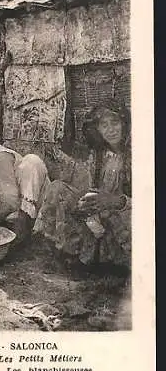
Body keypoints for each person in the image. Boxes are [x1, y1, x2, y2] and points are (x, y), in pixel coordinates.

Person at [38, 100, 131, 268]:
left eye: (115, 122)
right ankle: (72, 251)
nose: (111, 130)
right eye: (104, 125)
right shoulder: (99, 156)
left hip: (125, 215)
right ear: (98, 130)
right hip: (100, 214)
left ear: (124, 123)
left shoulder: (138, 153)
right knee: (57, 188)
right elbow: (87, 187)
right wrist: (86, 201)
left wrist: (116, 201)